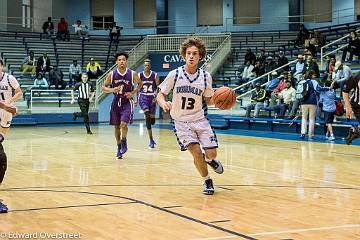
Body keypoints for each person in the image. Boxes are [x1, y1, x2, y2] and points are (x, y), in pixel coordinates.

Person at [157, 37, 224, 195]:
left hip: (200, 120)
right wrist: (163, 103)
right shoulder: (175, 74)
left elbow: (209, 99)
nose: (191, 56)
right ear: (184, 55)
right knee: (195, 151)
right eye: (188, 53)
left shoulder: (206, 76)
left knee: (212, 153)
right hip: (181, 122)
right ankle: (207, 180)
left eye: (195, 53)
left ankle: (210, 160)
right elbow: (160, 94)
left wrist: (221, 102)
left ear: (200, 56)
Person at [102, 52, 143, 160]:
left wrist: (133, 92)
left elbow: (140, 84)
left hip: (127, 102)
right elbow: (103, 88)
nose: (121, 61)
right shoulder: (112, 74)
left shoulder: (132, 73)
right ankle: (119, 147)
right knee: (116, 127)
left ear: (126, 61)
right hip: (116, 102)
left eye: (123, 60)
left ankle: (124, 141)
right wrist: (112, 89)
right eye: (119, 60)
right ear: (116, 62)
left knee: (123, 124)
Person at [0, 58, 23, 213]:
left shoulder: (9, 78)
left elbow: (19, 92)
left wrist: (11, 102)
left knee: (1, 139)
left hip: (5, 111)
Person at [138, 59, 160, 149]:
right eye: (145, 65)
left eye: (148, 65)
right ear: (144, 66)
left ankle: (148, 115)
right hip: (143, 97)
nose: (147, 66)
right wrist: (135, 99)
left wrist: (157, 97)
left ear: (150, 66)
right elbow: (137, 87)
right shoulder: (140, 75)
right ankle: (151, 140)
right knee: (147, 117)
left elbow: (159, 87)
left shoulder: (155, 75)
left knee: (152, 122)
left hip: (152, 98)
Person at [340, 74, 360, 145]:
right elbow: (345, 91)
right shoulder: (356, 77)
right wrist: (348, 107)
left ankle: (355, 132)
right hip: (357, 106)